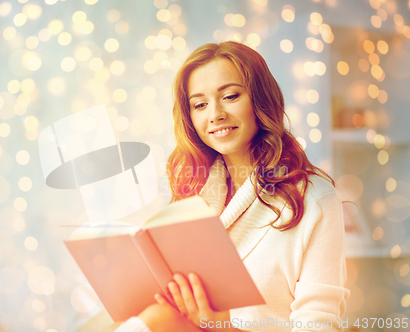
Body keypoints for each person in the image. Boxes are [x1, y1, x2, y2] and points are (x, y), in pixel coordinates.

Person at [108, 41, 350, 332]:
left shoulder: (315, 198)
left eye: (231, 96)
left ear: (261, 100)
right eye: (200, 105)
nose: (215, 114)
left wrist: (223, 324)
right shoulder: (194, 195)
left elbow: (319, 325)